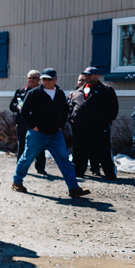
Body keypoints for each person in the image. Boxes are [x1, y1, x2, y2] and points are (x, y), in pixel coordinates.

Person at [12, 68, 90, 198]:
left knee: (64, 160)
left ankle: (74, 188)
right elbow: (24, 111)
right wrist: (33, 126)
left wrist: (60, 125)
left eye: (49, 79)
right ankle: (17, 182)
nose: (46, 81)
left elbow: (65, 110)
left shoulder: (59, 94)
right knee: (27, 158)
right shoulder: (34, 93)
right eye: (43, 79)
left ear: (55, 79)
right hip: (37, 134)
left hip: (55, 134)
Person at [69, 66, 119, 180]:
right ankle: (78, 172)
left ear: (97, 75)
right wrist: (71, 119)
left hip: (99, 128)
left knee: (103, 151)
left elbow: (113, 109)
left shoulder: (106, 89)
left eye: (90, 75)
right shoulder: (79, 91)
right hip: (80, 128)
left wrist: (104, 123)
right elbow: (71, 106)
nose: (87, 77)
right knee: (79, 151)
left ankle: (109, 174)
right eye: (85, 75)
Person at [10, 70, 47, 175]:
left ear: (39, 79)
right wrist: (17, 107)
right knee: (21, 145)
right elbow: (11, 105)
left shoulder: (43, 92)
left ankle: (40, 168)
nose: (31, 80)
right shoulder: (21, 91)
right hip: (22, 123)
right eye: (29, 78)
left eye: (34, 78)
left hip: (37, 124)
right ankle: (20, 167)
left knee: (39, 145)